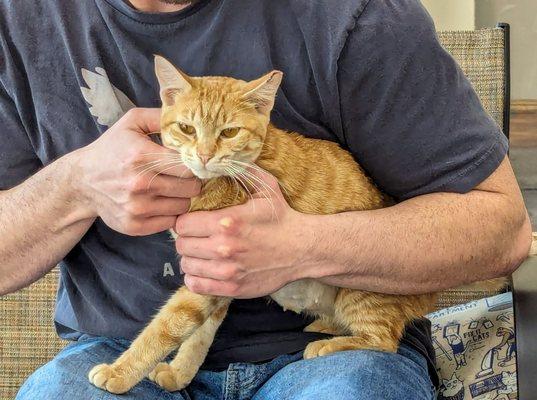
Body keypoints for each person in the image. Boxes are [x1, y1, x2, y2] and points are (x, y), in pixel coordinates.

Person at [0, 1, 531, 399]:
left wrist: (304, 246)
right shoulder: (18, 21)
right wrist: (73, 184)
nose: (205, 154)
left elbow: (504, 230)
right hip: (110, 343)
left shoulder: (355, 16)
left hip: (325, 359)